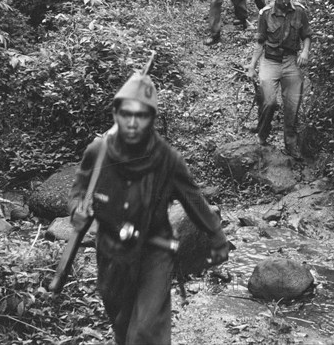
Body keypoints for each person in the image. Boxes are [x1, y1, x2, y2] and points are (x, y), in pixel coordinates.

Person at [69, 72, 229, 344]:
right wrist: (77, 210)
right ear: (115, 114)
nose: (132, 123)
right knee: (121, 324)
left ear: (151, 118)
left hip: (155, 250)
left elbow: (193, 201)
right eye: (126, 114)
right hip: (111, 253)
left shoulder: (168, 159)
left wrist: (217, 236)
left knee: (145, 331)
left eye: (141, 116)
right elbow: (78, 192)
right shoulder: (97, 152)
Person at [246, 0, 312, 160]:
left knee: (292, 104)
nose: (284, 1)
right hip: (270, 61)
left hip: (291, 61)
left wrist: (305, 52)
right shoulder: (265, 14)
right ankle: (262, 134)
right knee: (269, 102)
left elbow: (306, 35)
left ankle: (291, 144)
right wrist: (252, 67)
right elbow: (260, 42)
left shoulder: (300, 11)